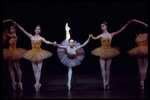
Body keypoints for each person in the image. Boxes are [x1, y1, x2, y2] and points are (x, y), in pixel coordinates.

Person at [11, 20, 57, 92]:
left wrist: (52, 43)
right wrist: (16, 24)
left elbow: (47, 42)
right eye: (37, 29)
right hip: (32, 54)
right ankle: (37, 83)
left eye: (39, 29)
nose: (38, 30)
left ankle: (37, 83)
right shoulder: (31, 37)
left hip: (40, 53)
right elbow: (23, 30)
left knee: (39, 70)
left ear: (40, 31)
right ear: (35, 30)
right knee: (34, 70)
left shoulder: (41, 38)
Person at [90, 20, 132, 90]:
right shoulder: (101, 35)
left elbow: (121, 30)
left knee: (108, 69)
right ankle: (104, 83)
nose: (101, 27)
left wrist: (127, 24)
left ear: (106, 26)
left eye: (103, 26)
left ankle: (107, 82)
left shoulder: (111, 35)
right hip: (102, 52)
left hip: (109, 51)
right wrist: (91, 36)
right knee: (102, 68)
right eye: (101, 26)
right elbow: (95, 38)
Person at [57, 23, 91, 90]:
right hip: (67, 57)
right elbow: (59, 46)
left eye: (73, 42)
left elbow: (83, 45)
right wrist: (55, 44)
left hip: (73, 59)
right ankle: (69, 82)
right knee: (67, 39)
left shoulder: (75, 48)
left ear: (74, 43)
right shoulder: (67, 46)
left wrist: (89, 38)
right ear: (69, 43)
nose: (72, 43)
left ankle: (69, 82)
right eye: (71, 42)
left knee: (70, 69)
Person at [3, 20, 27, 91]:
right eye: (10, 28)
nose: (11, 29)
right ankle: (13, 82)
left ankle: (19, 82)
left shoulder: (14, 35)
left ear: (15, 30)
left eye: (12, 28)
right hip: (10, 53)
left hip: (15, 52)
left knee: (17, 68)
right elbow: (5, 30)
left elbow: (6, 34)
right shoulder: (10, 35)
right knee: (10, 68)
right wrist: (7, 21)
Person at [127, 19, 148, 90]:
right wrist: (137, 21)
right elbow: (147, 26)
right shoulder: (146, 35)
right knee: (145, 66)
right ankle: (142, 81)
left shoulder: (136, 38)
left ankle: (141, 81)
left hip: (138, 50)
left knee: (140, 66)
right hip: (146, 50)